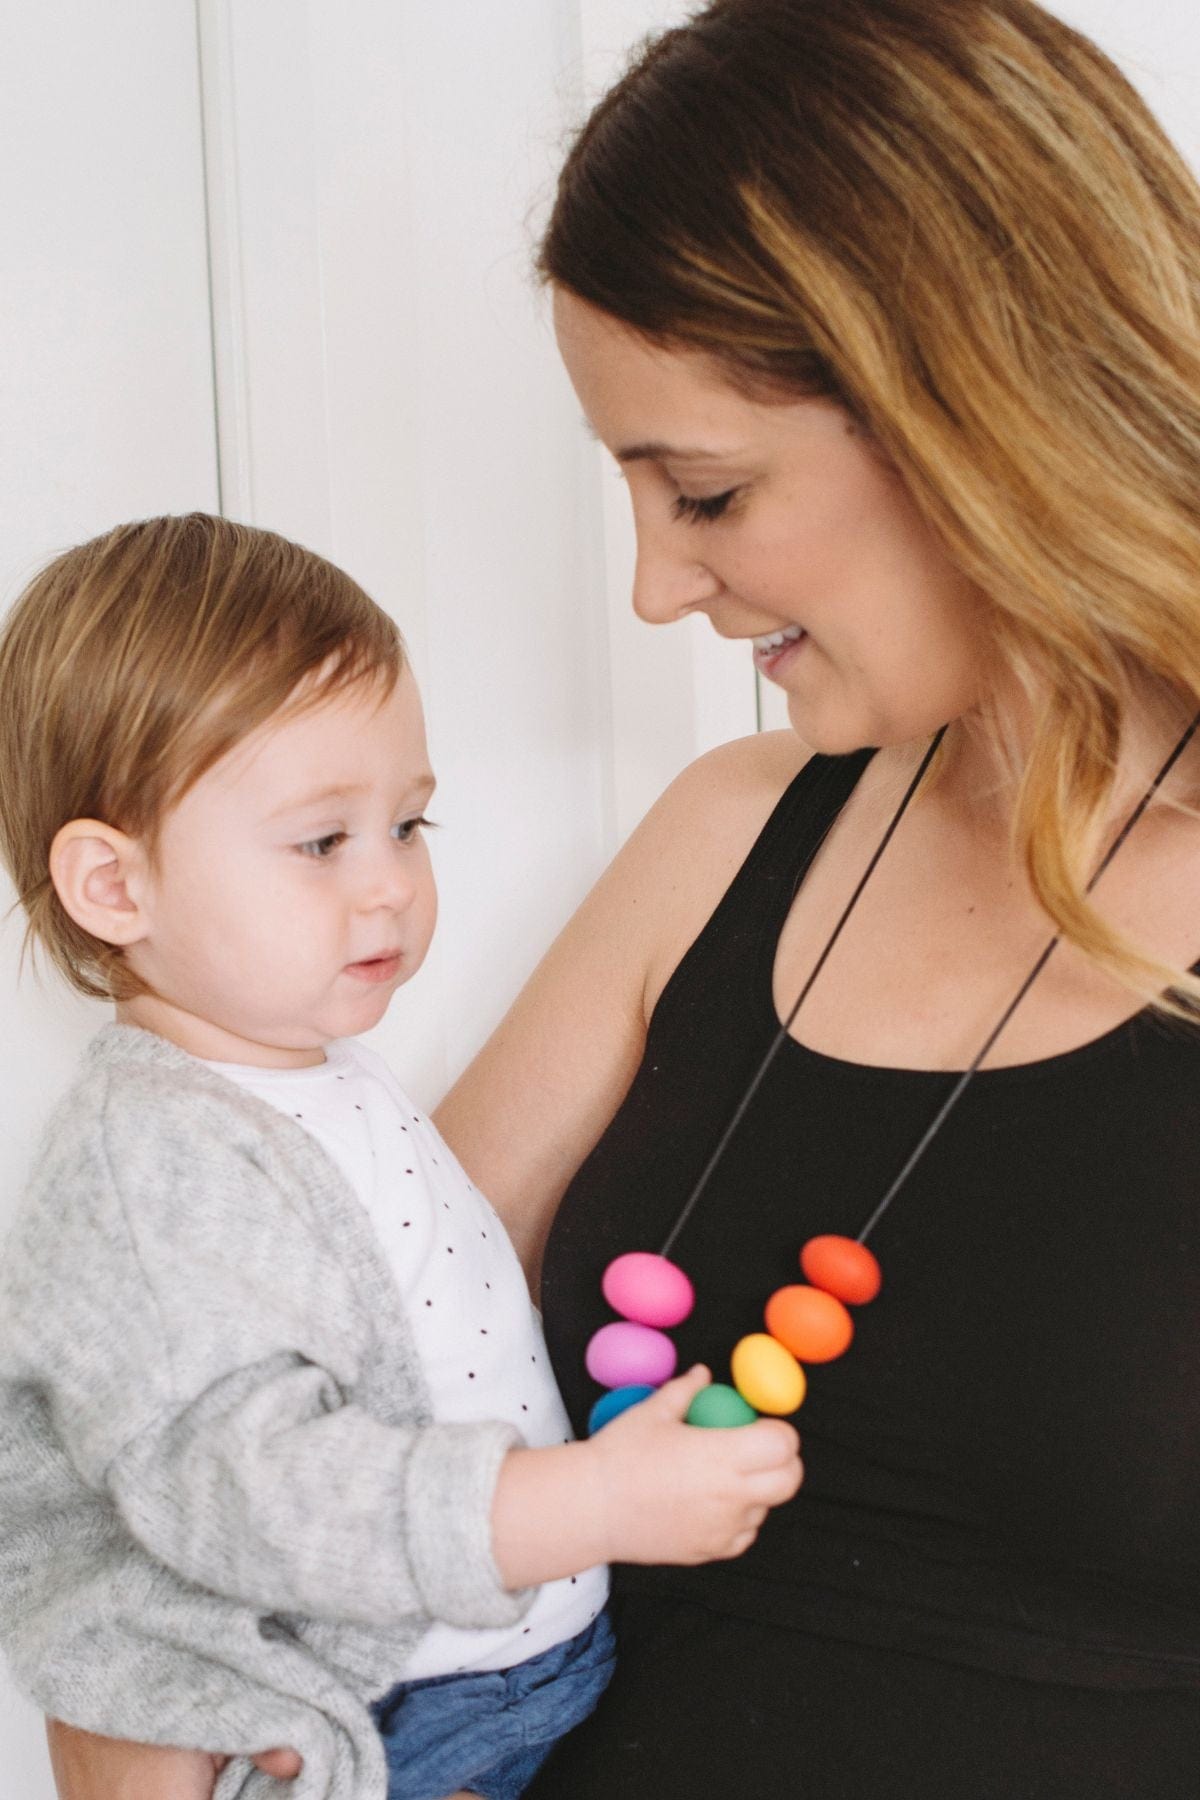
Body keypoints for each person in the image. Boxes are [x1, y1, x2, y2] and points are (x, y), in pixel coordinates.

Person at [35, 0, 1200, 1791]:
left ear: (982, 410)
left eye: (708, 492)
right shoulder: (731, 835)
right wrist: (139, 1718)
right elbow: (246, 1396)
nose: (660, 588)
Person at [0, 513, 802, 1800]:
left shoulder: (297, 1073)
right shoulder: (155, 1170)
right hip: (378, 1727)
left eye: (409, 827)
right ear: (113, 887)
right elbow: (247, 1490)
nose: (388, 886)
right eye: (323, 842)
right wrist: (586, 1505)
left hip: (507, 1676)